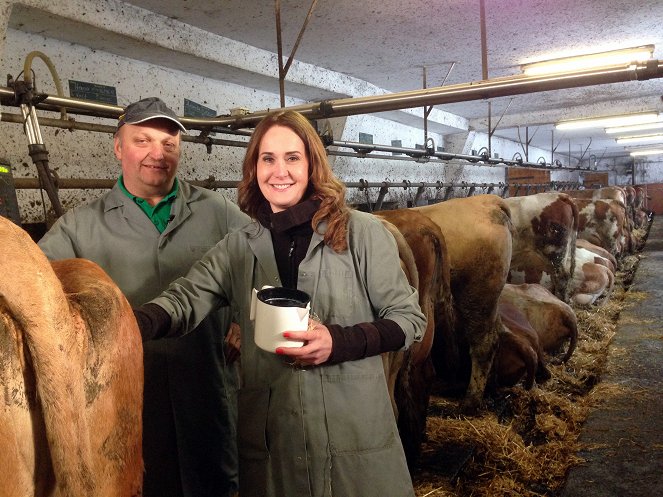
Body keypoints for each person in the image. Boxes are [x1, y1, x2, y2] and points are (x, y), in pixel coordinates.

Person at [134, 109, 426, 497]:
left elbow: (409, 320)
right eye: (267, 159)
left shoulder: (361, 234)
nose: (279, 171)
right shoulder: (239, 247)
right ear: (254, 168)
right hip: (275, 450)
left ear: (312, 165)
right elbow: (187, 297)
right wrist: (128, 323)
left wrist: (338, 342)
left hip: (353, 442)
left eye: (292, 158)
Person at [38, 97, 250, 497]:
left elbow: (263, 264)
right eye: (143, 140)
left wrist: (243, 318)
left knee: (216, 484)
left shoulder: (218, 211)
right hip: (125, 400)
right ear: (119, 148)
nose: (158, 153)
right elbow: (35, 284)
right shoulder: (80, 227)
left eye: (169, 144)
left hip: (206, 389)